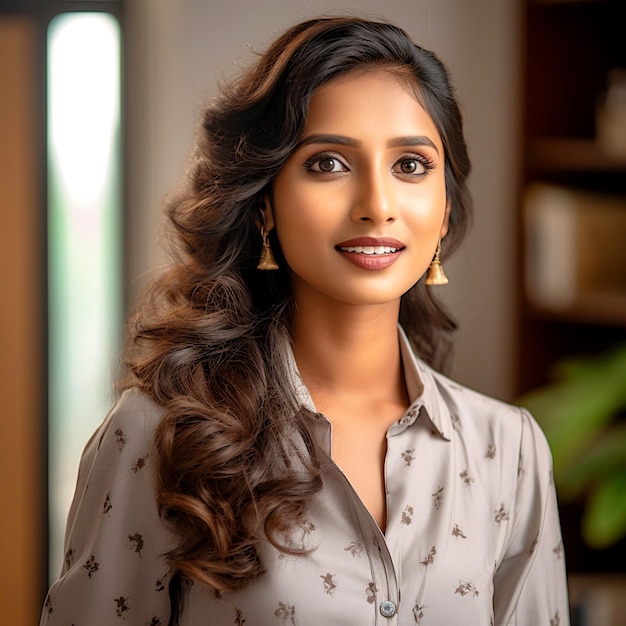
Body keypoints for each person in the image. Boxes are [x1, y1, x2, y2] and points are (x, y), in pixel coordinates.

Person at [40, 16, 570, 625]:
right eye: (328, 164)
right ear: (266, 203)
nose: (377, 204)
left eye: (411, 166)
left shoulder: (509, 450)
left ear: (445, 209)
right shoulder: (159, 434)